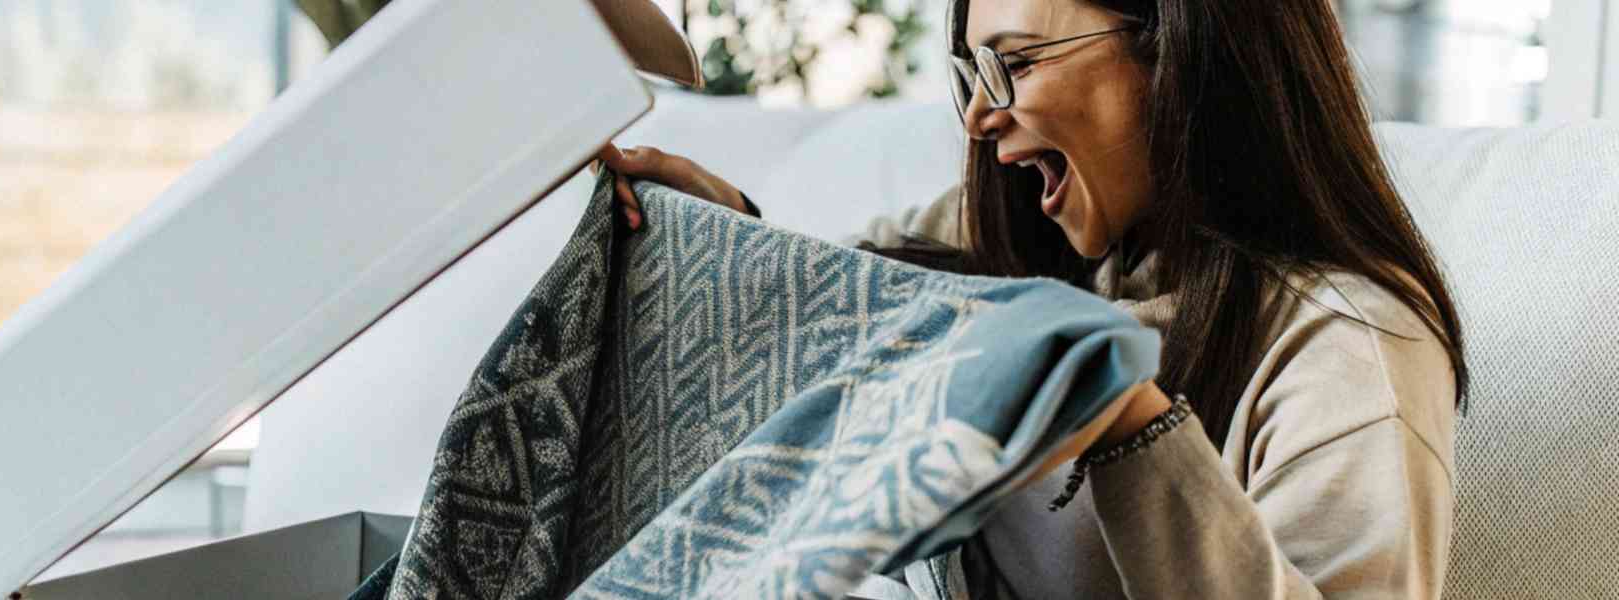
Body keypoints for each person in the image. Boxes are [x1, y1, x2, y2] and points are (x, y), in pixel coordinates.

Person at [592, 0, 1468, 597]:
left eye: (1012, 64)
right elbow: (861, 304)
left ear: (1179, 45)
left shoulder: (1352, 346)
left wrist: (1131, 424)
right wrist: (730, 236)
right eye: (972, 71)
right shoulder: (1023, 240)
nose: (979, 116)